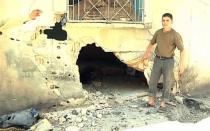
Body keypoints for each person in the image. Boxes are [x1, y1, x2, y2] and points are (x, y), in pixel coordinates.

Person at [141, 13, 185, 109]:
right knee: (153, 80)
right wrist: (146, 56)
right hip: (157, 59)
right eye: (163, 20)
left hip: (168, 61)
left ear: (171, 22)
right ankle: (151, 101)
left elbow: (182, 50)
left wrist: (182, 65)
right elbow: (151, 44)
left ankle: (163, 103)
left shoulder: (175, 35)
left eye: (167, 20)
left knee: (167, 82)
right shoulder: (158, 32)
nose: (165, 22)